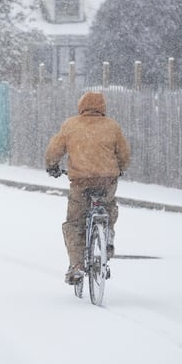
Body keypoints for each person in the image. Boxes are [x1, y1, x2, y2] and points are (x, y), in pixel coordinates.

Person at [45, 91, 130, 285]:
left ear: (81, 106)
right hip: (107, 180)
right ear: (103, 107)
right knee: (109, 208)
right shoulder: (112, 126)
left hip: (81, 183)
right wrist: (120, 168)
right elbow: (124, 153)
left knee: (74, 223)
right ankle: (107, 233)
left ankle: (76, 266)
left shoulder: (71, 125)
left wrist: (52, 166)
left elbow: (54, 150)